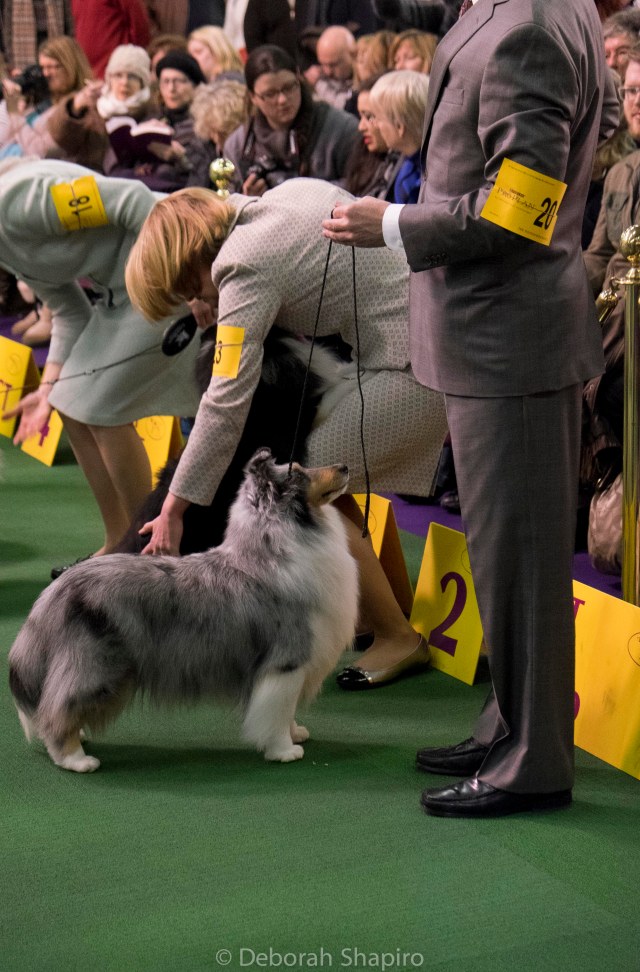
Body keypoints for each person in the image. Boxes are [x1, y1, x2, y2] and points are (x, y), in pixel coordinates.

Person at [322, 0, 619, 817]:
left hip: (507, 339)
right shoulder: (521, 10)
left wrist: (393, 222)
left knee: (521, 566)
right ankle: (511, 727)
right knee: (504, 561)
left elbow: (520, 213)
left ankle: (534, 760)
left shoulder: (529, 26)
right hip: (489, 333)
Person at [124, 178, 449, 689]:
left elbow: (225, 401)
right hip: (424, 339)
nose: (194, 300)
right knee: (319, 479)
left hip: (416, 366)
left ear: (189, 259)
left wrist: (175, 507)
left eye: (187, 289)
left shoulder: (242, 264)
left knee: (296, 488)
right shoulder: (276, 200)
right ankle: (382, 613)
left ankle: (397, 636)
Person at [0, 159, 201, 566]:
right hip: (120, 294)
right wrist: (46, 389)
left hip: (168, 268)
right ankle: (118, 540)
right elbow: (69, 312)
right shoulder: (6, 247)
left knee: (102, 409)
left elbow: (133, 200)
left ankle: (146, 551)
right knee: (69, 402)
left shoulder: (17, 203)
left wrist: (187, 277)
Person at [223, 45, 358, 197]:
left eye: (289, 87)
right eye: (270, 94)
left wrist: (296, 194)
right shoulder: (238, 146)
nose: (282, 99)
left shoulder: (340, 128)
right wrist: (248, 201)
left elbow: (360, 184)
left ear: (299, 79)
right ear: (253, 97)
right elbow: (230, 203)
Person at [0, 35, 92, 160]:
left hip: (36, 168)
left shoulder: (75, 109)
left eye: (51, 67)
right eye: (42, 68)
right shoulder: (45, 102)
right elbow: (6, 139)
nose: (46, 74)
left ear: (70, 66)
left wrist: (15, 114)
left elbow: (40, 152)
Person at [369, 69, 429, 204]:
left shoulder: (418, 182)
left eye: (376, 118)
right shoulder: (404, 159)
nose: (374, 124)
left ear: (399, 126)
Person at [314, 24, 356, 110]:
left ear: (353, 55)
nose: (328, 71)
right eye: (323, 64)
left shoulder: (366, 82)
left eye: (333, 65)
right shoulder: (320, 79)